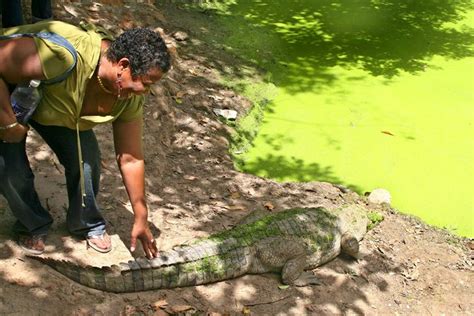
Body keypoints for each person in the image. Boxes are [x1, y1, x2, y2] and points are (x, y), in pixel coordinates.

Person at [0, 20, 170, 258]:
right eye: (146, 83)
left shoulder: (129, 95)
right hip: (7, 95)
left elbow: (130, 158)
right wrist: (8, 122)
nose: (145, 91)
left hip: (52, 107)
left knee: (86, 159)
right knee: (11, 171)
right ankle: (32, 223)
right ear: (123, 65)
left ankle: (85, 222)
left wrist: (141, 215)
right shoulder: (61, 56)